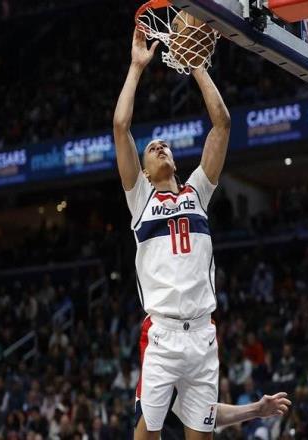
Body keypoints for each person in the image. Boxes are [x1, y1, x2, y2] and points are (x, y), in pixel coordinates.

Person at [113, 29, 291, 439]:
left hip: (203, 335)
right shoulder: (140, 198)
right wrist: (137, 68)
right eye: (152, 148)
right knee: (146, 434)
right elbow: (121, 127)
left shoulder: (197, 191)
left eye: (165, 146)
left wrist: (195, 63)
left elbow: (222, 124)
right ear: (143, 172)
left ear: (176, 163)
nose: (160, 146)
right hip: (162, 334)